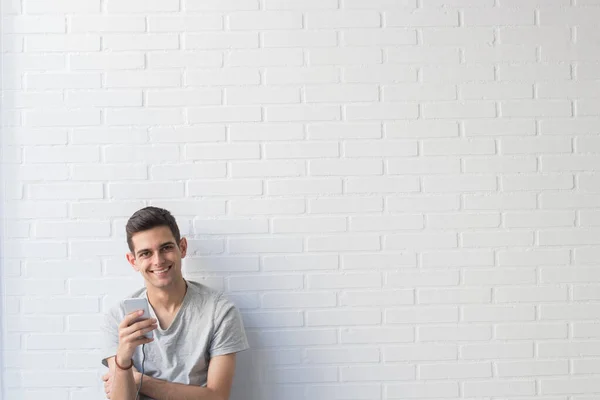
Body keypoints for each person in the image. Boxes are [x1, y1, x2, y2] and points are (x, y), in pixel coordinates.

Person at [100, 206, 249, 400]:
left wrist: (140, 381)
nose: (158, 261)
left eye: (166, 248)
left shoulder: (219, 311)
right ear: (133, 261)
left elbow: (218, 397)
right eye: (145, 253)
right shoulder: (119, 317)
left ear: (183, 248)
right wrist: (123, 360)